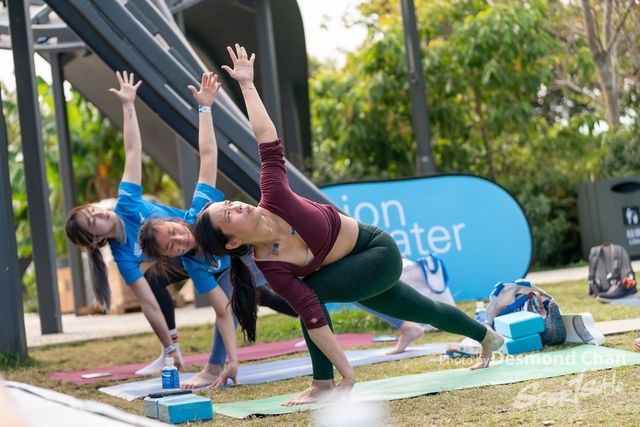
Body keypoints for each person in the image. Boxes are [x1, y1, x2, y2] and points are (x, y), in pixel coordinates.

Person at [193, 44, 505, 404]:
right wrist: (348, 373)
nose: (235, 206)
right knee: (423, 310)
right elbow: (313, 320)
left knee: (314, 293)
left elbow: (266, 138)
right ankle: (488, 338)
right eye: (227, 215)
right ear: (232, 243)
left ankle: (321, 384)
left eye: (228, 203)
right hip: (353, 270)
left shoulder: (274, 195)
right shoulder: (271, 267)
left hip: (377, 252)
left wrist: (247, 84)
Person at [64, 71, 236, 379]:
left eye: (93, 211)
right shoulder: (125, 257)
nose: (100, 215)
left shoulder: (128, 200)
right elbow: (148, 305)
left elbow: (133, 151)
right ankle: (180, 352)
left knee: (263, 292)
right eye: (92, 223)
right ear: (95, 240)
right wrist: (168, 346)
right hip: (192, 257)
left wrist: (128, 105)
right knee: (161, 284)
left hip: (201, 236)